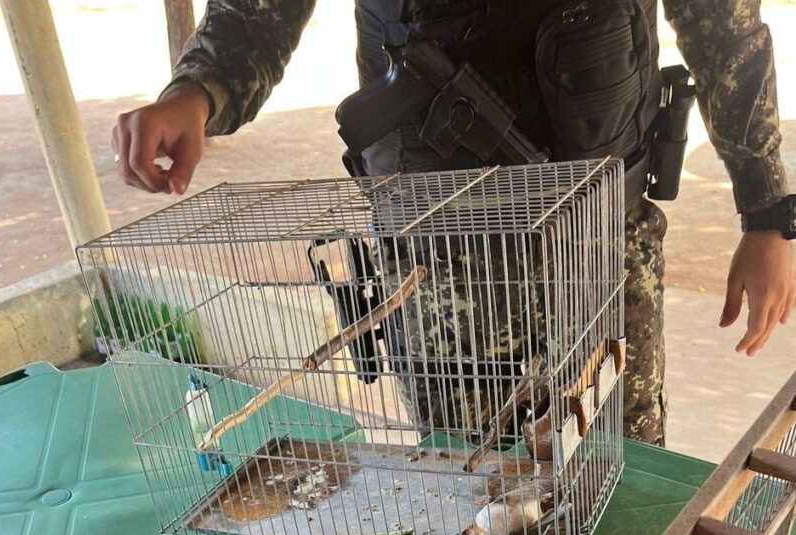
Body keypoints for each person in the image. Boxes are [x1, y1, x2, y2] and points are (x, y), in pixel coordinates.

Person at [112, 0, 794, 447]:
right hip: (440, 266)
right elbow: (259, 14)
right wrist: (197, 90)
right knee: (472, 508)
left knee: (624, 488)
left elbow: (722, 25)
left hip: (602, 243)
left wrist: (767, 213)